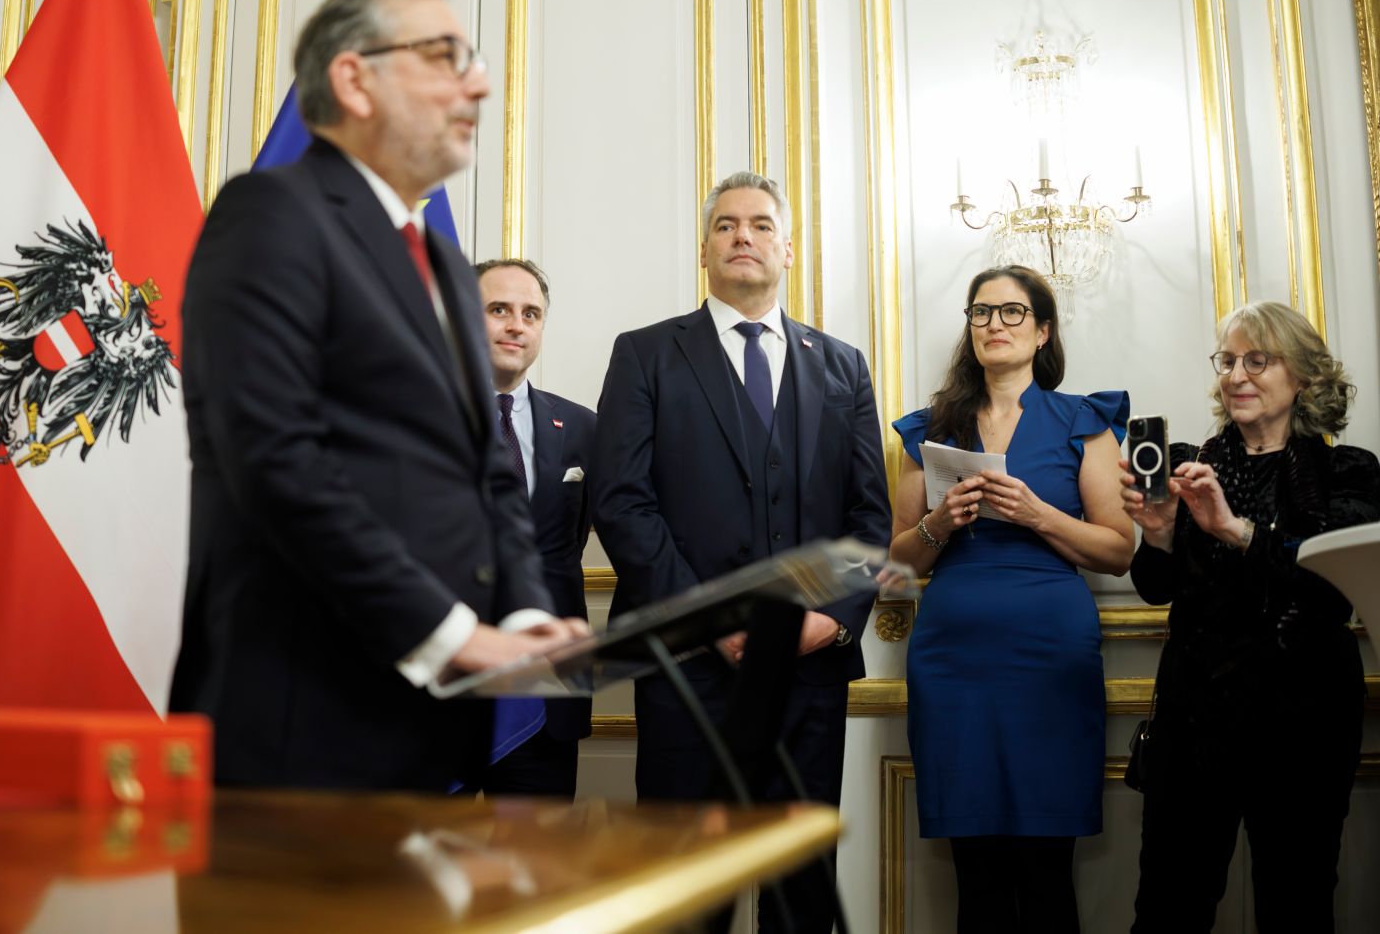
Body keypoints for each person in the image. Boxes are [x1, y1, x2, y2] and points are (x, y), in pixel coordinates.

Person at [168, 0, 586, 792]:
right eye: (444, 56)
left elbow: (492, 473)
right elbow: (276, 461)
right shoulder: (269, 214)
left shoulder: (438, 261)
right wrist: (454, 634)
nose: (480, 81)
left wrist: (527, 616)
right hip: (303, 722)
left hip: (437, 727)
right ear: (355, 78)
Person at [591, 170, 890, 932]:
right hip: (689, 674)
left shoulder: (844, 365)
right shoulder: (645, 354)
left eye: (760, 224)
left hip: (809, 673)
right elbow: (621, 503)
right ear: (703, 249)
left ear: (788, 248)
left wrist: (835, 618)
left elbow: (868, 515)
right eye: (726, 225)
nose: (743, 237)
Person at [887, 264, 1133, 934]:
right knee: (978, 870)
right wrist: (940, 523)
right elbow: (897, 559)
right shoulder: (930, 430)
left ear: (1043, 330)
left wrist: (1035, 513)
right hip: (955, 661)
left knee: (1048, 865)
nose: (994, 324)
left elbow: (1119, 549)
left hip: (1050, 660)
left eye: (1012, 312)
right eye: (981, 313)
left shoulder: (1085, 421)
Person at [1121, 301, 1378, 932]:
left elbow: (1331, 593)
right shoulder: (1190, 463)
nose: (1236, 374)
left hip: (1306, 722)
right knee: (1168, 907)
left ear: (1304, 377)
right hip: (1194, 720)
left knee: (1297, 902)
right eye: (1228, 360)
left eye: (1257, 360)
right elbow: (1157, 590)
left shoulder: (1350, 471)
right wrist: (1157, 533)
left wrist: (1234, 530)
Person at [472, 258, 597, 797]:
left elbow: (576, 536)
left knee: (537, 874)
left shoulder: (583, 428)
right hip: (441, 677)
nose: (515, 325)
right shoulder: (415, 420)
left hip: (544, 687)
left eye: (531, 313)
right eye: (498, 309)